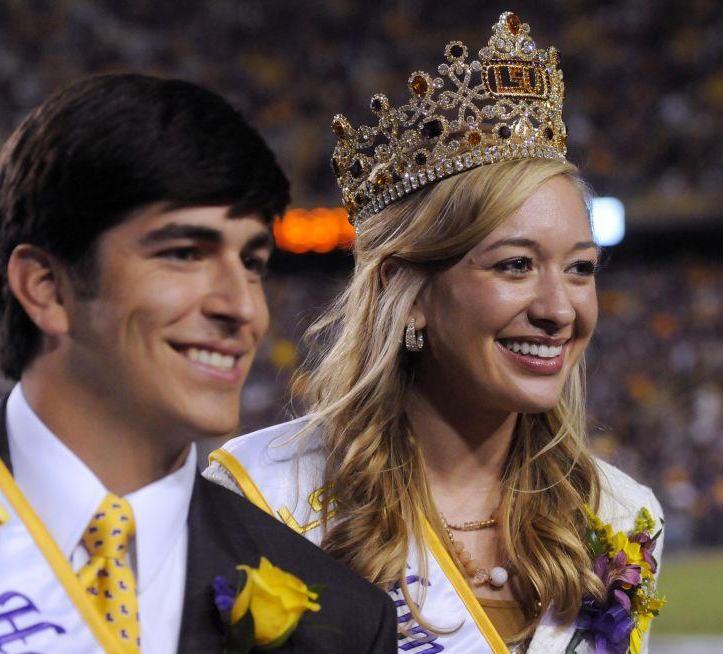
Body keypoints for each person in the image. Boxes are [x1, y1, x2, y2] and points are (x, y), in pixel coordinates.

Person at [205, 12, 665, 654]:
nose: (559, 309)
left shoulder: (619, 515)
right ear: (406, 290)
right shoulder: (264, 496)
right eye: (515, 265)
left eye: (580, 268)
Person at [0, 73, 396, 653]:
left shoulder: (342, 618)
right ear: (46, 289)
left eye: (252, 262)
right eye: (185, 254)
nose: (243, 308)